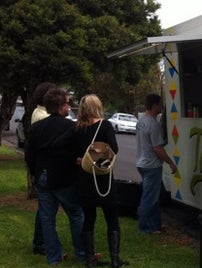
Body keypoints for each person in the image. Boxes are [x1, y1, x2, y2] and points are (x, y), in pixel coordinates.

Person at [24, 86, 85, 265]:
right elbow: (78, 153)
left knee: (47, 217)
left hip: (42, 176)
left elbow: (29, 154)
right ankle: (81, 253)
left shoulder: (36, 128)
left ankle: (53, 256)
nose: (69, 107)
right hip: (64, 178)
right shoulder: (72, 127)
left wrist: (35, 172)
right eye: (68, 103)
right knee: (75, 213)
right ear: (60, 106)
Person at [73, 94, 127, 267]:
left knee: (88, 219)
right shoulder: (105, 126)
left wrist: (85, 159)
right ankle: (115, 259)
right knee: (111, 218)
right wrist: (96, 156)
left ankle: (90, 259)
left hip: (85, 177)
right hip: (103, 179)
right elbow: (114, 149)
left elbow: (74, 153)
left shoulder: (78, 128)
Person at [136, 94, 177, 234]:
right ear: (154, 106)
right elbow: (157, 148)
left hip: (141, 163)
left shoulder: (141, 121)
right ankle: (145, 227)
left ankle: (156, 224)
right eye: (160, 104)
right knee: (149, 198)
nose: (162, 107)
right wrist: (171, 162)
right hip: (151, 165)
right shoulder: (153, 124)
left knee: (154, 195)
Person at [30, 82, 56, 256]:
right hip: (47, 168)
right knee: (46, 209)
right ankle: (40, 242)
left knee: (45, 208)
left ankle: (41, 241)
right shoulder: (42, 116)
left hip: (43, 167)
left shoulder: (39, 112)